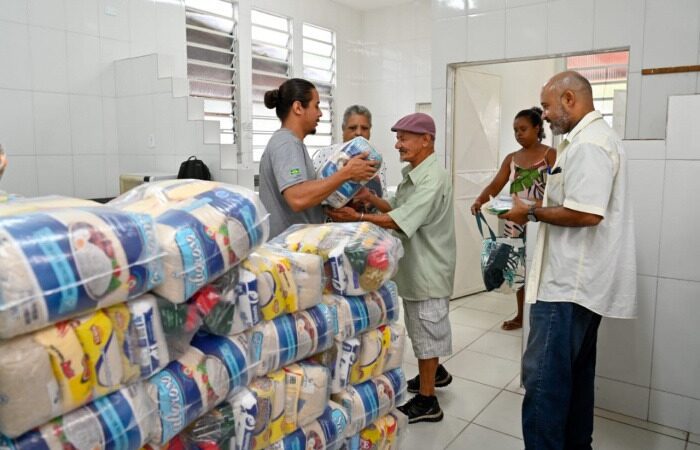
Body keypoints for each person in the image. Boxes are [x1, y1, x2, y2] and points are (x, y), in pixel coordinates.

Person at [501, 71, 636, 449]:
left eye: (546, 106)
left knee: (544, 385)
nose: (543, 115)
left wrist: (529, 213)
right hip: (579, 287)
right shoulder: (587, 140)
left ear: (570, 100)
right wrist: (539, 207)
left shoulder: (589, 144)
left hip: (566, 289)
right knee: (575, 381)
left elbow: (586, 214)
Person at [327, 112, 456, 424]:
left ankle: (428, 401)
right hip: (417, 268)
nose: (398, 144)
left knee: (427, 331)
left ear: (426, 140)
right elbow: (398, 206)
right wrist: (371, 197)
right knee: (422, 330)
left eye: (404, 137)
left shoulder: (432, 178)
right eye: (397, 137)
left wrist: (357, 218)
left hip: (429, 269)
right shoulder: (416, 172)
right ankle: (433, 373)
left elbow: (401, 218)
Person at [470, 107, 556, 330]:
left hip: (542, 221)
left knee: (542, 269)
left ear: (538, 128)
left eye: (523, 129)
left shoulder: (551, 155)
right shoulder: (512, 158)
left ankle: (541, 319)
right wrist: (480, 200)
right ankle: (521, 316)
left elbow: (558, 191)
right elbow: (496, 185)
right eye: (515, 130)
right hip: (515, 224)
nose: (518, 134)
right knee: (518, 269)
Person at [258, 79, 378, 237]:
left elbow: (305, 196)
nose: (320, 113)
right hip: (288, 252)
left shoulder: (293, 144)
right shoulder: (286, 143)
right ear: (298, 108)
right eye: (316, 105)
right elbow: (297, 198)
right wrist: (346, 173)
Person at [311, 104, 387, 201]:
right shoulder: (325, 155)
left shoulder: (376, 161)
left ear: (370, 130)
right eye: (352, 128)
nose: (359, 133)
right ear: (343, 128)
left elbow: (383, 199)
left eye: (364, 128)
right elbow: (312, 194)